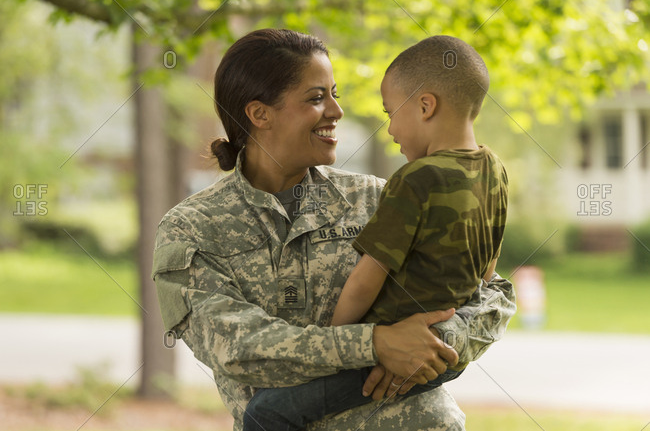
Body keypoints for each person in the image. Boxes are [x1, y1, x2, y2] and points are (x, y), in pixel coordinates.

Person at [152, 28, 516, 431]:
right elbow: (238, 346)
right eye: (316, 98)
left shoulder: (380, 197)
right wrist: (377, 344)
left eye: (334, 94)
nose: (336, 112)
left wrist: (435, 344)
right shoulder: (192, 229)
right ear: (259, 114)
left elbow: (491, 295)